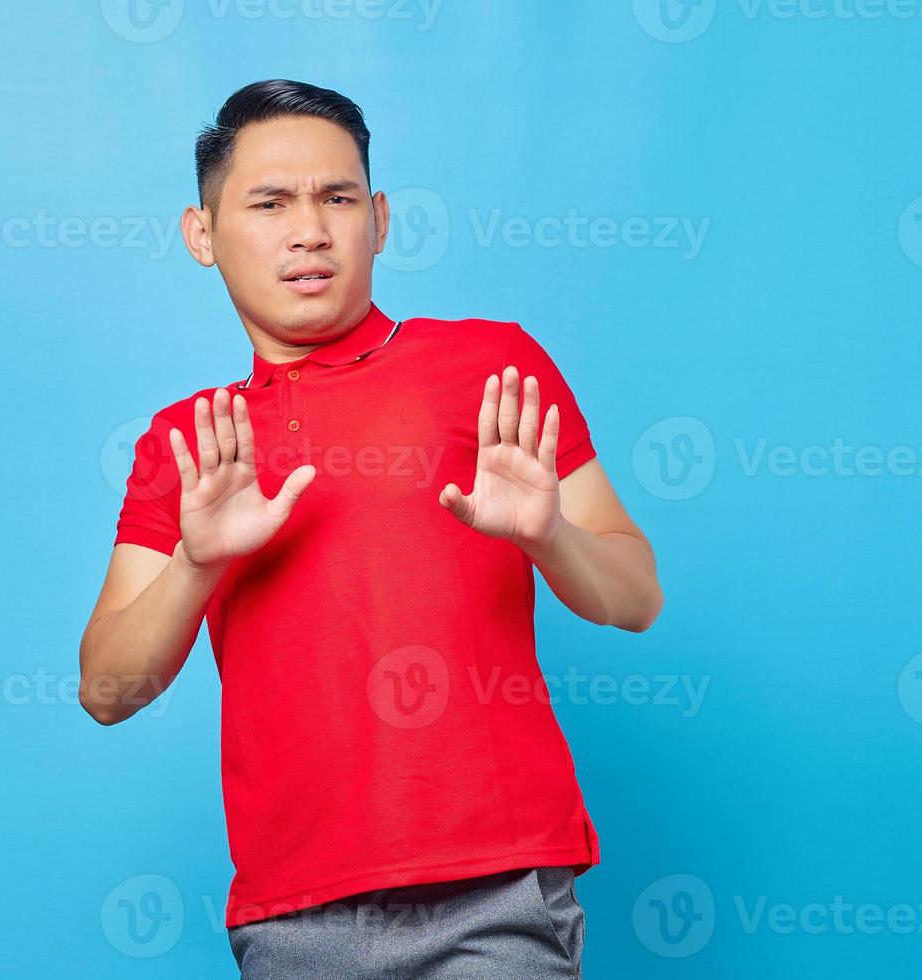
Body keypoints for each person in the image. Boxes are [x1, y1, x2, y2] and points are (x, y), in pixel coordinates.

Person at [78, 78, 663, 978]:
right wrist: (196, 563)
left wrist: (549, 536)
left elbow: (636, 595)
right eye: (269, 203)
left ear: (379, 218)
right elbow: (108, 689)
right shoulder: (187, 443)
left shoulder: (492, 365)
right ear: (203, 235)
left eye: (337, 198)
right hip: (293, 915)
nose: (309, 229)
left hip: (494, 888)